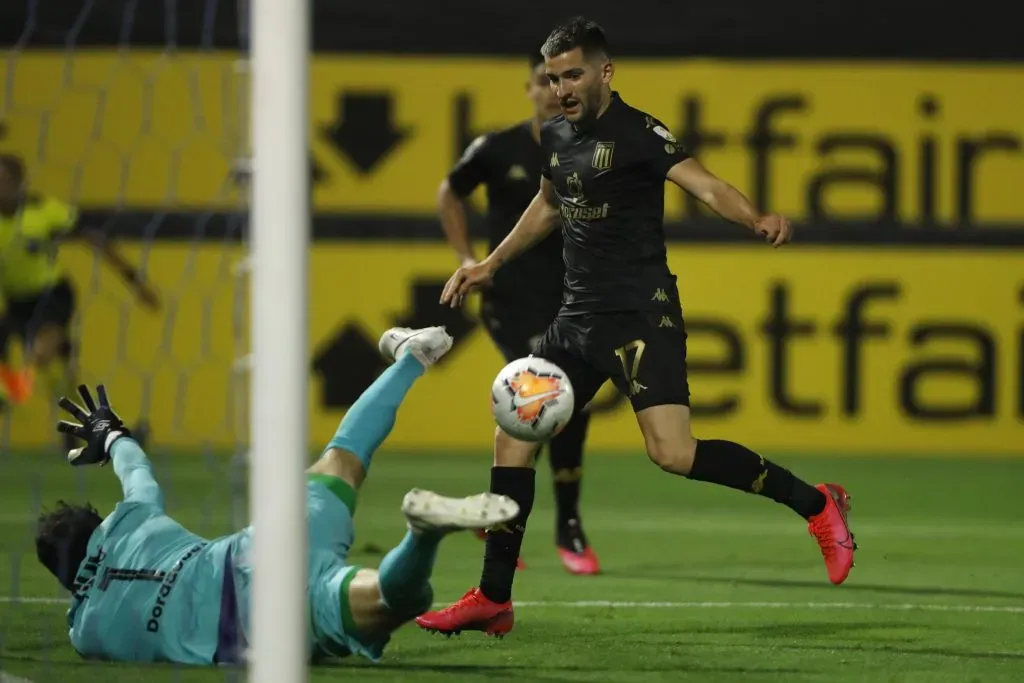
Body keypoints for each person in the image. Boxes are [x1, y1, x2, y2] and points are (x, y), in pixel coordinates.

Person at [416, 17, 857, 638]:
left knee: (672, 453)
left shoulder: (640, 132)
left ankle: (817, 503)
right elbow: (548, 204)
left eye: (573, 75)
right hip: (575, 319)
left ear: (605, 71)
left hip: (641, 316)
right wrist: (490, 263)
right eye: (553, 78)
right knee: (513, 433)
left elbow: (706, 186)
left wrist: (754, 218)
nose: (562, 89)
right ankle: (493, 598)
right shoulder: (556, 135)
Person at [35, 325, 519, 664]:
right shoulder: (130, 522)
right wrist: (111, 434)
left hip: (254, 625)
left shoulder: (86, 632)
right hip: (253, 547)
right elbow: (138, 472)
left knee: (390, 600)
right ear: (98, 523)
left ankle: (422, 536)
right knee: (342, 459)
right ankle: (413, 358)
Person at [438, 51, 600, 575]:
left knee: (562, 403)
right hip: (511, 300)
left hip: (571, 298)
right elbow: (450, 193)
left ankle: (502, 509)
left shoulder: (592, 150)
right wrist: (468, 257)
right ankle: (566, 526)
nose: (552, 92)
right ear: (529, 89)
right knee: (548, 394)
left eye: (562, 82)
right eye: (543, 82)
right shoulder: (497, 149)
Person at [0, 154, 159, 434]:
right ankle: (97, 430)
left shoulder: (44, 211)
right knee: (58, 375)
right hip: (16, 302)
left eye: (4, 181)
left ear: (19, 183)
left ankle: (14, 392)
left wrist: (135, 282)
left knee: (41, 353)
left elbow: (95, 239)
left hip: (51, 295)